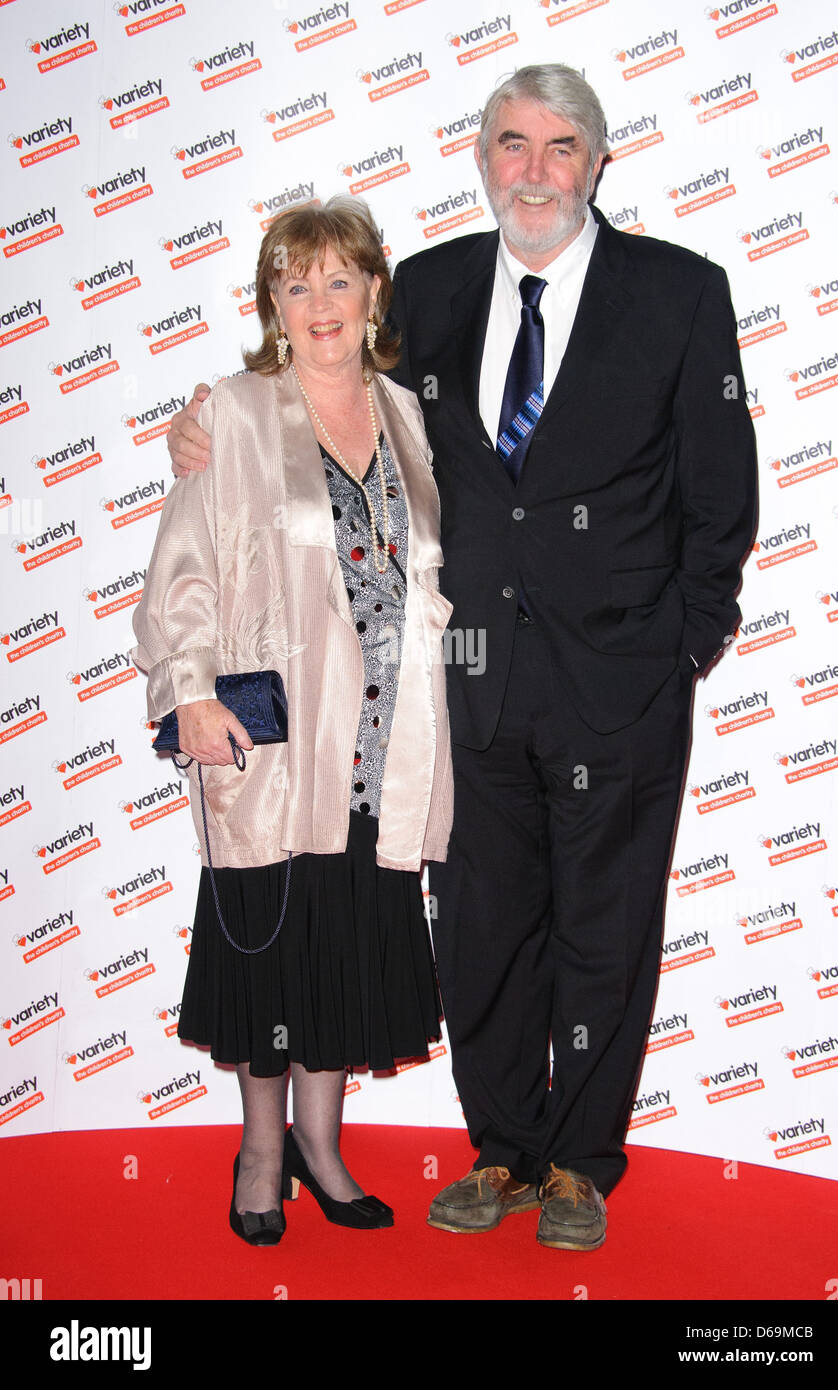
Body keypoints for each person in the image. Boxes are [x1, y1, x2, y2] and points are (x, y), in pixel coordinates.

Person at [166, 64, 757, 1252]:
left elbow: (720, 495)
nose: (532, 170)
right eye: (510, 144)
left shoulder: (679, 294)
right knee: (481, 927)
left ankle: (580, 1165)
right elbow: (324, 385)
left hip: (619, 688)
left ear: (597, 161)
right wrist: (213, 418)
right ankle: (501, 1147)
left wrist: (679, 647)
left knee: (606, 928)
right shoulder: (427, 291)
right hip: (459, 688)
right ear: (479, 155)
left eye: (559, 147)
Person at [132, 196, 453, 1246]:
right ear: (273, 300)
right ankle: (261, 1154)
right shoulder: (231, 409)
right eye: (295, 281)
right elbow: (180, 570)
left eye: (338, 278)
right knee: (270, 959)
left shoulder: (407, 414)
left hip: (381, 746)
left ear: (372, 292)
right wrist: (187, 688)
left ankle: (322, 1147)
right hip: (271, 747)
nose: (319, 301)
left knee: (344, 955)